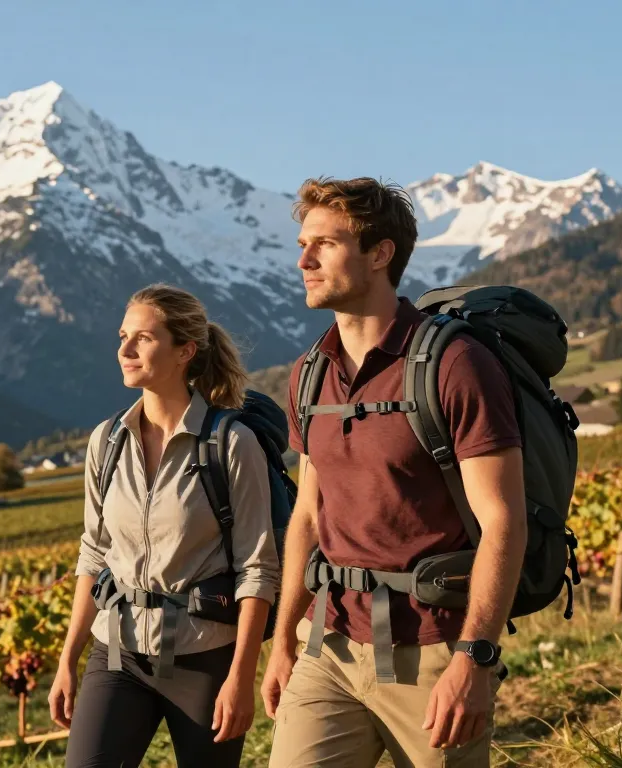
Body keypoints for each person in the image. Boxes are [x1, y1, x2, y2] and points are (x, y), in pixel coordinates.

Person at [262, 177, 527, 767]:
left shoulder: (455, 364)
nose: (303, 259)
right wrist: (283, 642)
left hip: (432, 653)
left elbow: (503, 521)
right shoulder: (309, 373)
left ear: (380, 254)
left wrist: (475, 657)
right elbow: (308, 514)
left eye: (323, 245)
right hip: (327, 646)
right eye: (303, 244)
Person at [48, 283, 281, 768]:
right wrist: (68, 657)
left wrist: (241, 676)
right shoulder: (106, 441)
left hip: (205, 658)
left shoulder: (231, 445)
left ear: (185, 351)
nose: (125, 350)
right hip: (117, 654)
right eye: (122, 336)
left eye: (144, 338)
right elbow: (94, 552)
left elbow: (258, 567)